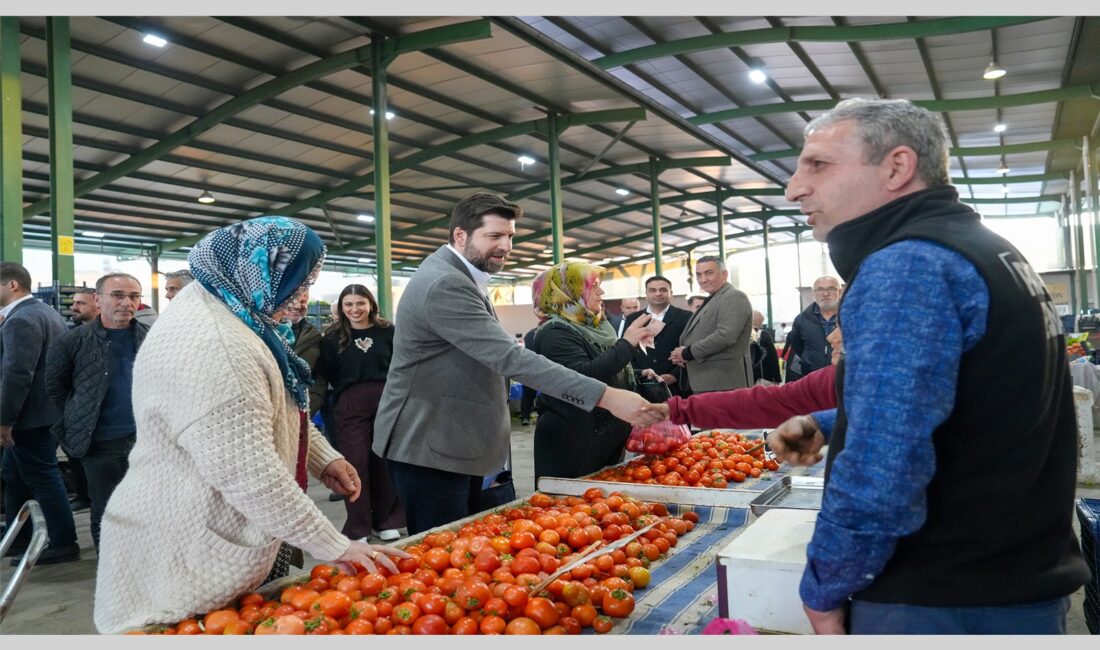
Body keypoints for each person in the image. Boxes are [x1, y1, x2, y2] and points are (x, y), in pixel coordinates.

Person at [767, 98, 1088, 634]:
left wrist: (825, 585)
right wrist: (827, 426)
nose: (794, 188)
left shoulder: (909, 263)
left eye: (818, 165)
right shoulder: (985, 250)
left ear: (896, 167)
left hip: (942, 593)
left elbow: (884, 460)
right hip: (1013, 575)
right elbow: (979, 398)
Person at [93, 217, 406, 634]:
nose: (299, 298)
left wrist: (322, 457)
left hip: (225, 525)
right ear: (256, 270)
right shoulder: (215, 344)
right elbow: (247, 471)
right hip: (185, 543)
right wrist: (331, 543)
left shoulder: (233, 310)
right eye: (294, 282)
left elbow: (269, 408)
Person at [372, 192, 659, 535]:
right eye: (494, 236)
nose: (506, 246)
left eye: (510, 236)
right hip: (433, 444)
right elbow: (510, 357)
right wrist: (608, 397)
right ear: (460, 235)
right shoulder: (445, 283)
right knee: (446, 550)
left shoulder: (461, 275)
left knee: (475, 546)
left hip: (459, 439)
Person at [47, 273, 151, 553]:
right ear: (98, 299)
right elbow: (56, 387)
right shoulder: (73, 341)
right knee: (107, 512)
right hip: (100, 442)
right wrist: (76, 420)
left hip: (146, 442)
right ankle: (110, 573)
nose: (126, 303)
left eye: (133, 296)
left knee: (146, 511)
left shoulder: (151, 339)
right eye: (117, 295)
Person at [529, 262, 654, 481]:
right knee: (572, 508)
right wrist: (627, 344)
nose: (601, 291)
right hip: (574, 442)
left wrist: (639, 373)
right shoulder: (554, 333)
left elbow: (602, 364)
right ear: (567, 293)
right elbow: (582, 378)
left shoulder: (594, 326)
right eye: (593, 286)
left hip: (603, 435)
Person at [0, 261, 80, 566]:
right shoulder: (45, 312)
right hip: (45, 412)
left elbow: (17, 373)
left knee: (44, 477)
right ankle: (18, 535)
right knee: (16, 474)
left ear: (12, 285)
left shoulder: (22, 320)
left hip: (28, 416)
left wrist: (5, 420)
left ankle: (62, 541)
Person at [316, 284, 406, 543]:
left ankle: (385, 520)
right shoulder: (332, 338)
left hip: (387, 401)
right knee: (354, 464)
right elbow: (328, 373)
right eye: (349, 304)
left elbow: (400, 364)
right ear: (342, 308)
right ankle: (358, 526)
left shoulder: (388, 331)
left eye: (360, 303)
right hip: (350, 405)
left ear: (370, 304)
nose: (355, 309)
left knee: (384, 461)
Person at [654, 327, 842, 430]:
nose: (831, 337)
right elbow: (767, 401)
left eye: (845, 326)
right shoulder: (833, 378)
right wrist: (674, 409)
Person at [670, 255, 754, 394]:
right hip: (709, 382)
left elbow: (726, 335)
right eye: (699, 275)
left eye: (709, 273)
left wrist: (687, 352)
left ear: (724, 274)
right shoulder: (714, 298)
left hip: (723, 383)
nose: (703, 279)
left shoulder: (733, 296)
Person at [625, 275, 692, 397]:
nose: (658, 293)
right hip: (643, 385)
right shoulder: (633, 319)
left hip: (677, 386)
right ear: (646, 293)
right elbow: (627, 349)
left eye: (663, 290)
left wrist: (675, 375)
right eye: (652, 290)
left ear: (671, 292)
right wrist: (639, 374)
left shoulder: (686, 317)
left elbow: (691, 348)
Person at [783, 275, 840, 383]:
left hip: (843, 379)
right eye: (820, 289)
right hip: (812, 380)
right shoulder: (801, 320)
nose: (825, 294)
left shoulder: (851, 318)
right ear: (813, 294)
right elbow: (798, 347)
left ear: (840, 292)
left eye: (831, 288)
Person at [519, 306, 548, 426]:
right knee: (547, 394)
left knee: (527, 394)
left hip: (530, 368)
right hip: (544, 368)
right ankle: (541, 417)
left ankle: (525, 417)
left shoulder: (529, 334)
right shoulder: (547, 333)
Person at [750, 310, 782, 384]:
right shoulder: (764, 335)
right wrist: (777, 378)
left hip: (745, 380)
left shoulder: (741, 335)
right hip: (762, 378)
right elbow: (772, 358)